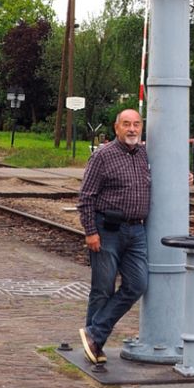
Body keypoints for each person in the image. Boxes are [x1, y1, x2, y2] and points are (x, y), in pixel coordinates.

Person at [77, 108, 149, 365]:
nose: (132, 129)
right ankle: (96, 346)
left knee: (137, 284)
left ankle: (94, 334)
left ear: (141, 127)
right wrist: (90, 232)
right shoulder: (103, 156)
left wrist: (183, 178)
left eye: (136, 124)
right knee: (103, 288)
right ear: (116, 127)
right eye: (127, 124)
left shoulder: (145, 154)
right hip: (106, 230)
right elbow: (86, 197)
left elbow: (158, 180)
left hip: (137, 230)